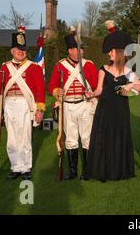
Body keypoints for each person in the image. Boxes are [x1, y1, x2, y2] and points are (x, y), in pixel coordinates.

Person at [84, 21, 140, 182]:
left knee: (118, 138)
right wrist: (91, 94)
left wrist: (131, 84)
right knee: (103, 139)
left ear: (118, 53)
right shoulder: (103, 69)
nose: (109, 54)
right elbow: (99, 90)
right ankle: (102, 171)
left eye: (111, 51)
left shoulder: (128, 71)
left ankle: (118, 171)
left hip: (120, 110)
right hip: (104, 109)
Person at [0, 27, 45, 180]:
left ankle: (26, 168)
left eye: (23, 49)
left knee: (25, 137)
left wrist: (40, 109)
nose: (20, 52)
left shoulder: (34, 68)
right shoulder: (4, 67)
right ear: (12, 50)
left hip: (25, 104)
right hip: (8, 105)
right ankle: (15, 167)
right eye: (18, 49)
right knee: (12, 138)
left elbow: (40, 90)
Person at [48, 28, 98, 180]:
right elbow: (52, 86)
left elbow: (96, 86)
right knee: (70, 138)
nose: (82, 52)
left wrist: (93, 93)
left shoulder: (89, 65)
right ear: (70, 50)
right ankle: (73, 171)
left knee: (86, 138)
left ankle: (87, 171)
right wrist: (58, 91)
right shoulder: (60, 66)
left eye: (82, 49)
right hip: (68, 105)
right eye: (78, 49)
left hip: (84, 104)